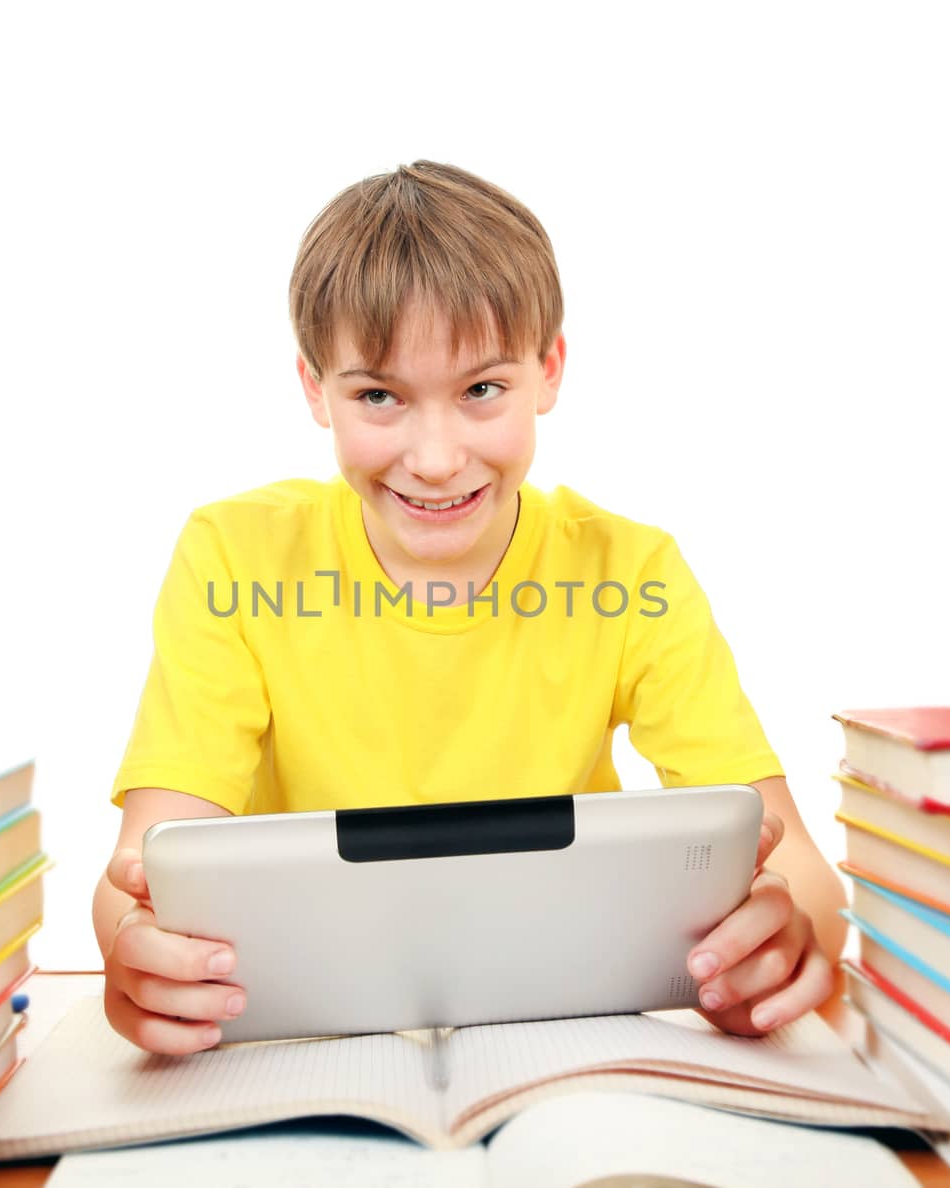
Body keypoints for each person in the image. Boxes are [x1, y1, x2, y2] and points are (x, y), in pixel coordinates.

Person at [93, 160, 847, 1056]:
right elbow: (145, 871)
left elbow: (797, 867)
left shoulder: (632, 571)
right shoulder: (235, 555)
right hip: (305, 1045)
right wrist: (133, 955)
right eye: (379, 396)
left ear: (548, 370)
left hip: (565, 1040)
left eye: (481, 390)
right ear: (313, 389)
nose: (438, 457)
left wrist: (779, 940)